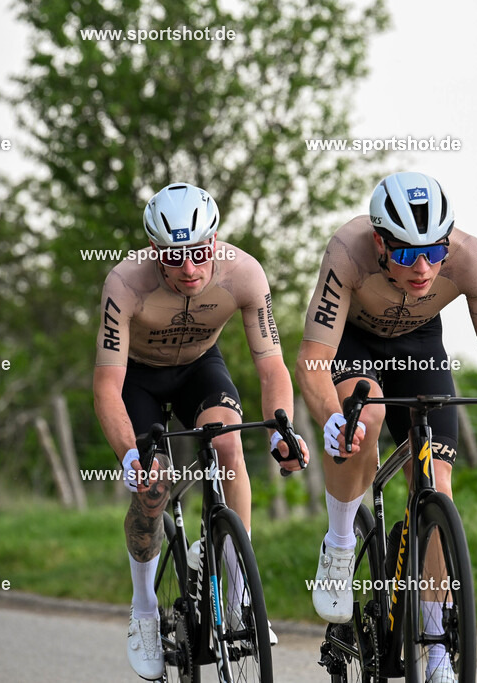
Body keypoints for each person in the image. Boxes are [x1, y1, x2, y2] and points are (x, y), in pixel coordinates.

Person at [296, 171, 477, 683]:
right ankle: (340, 543)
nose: (424, 267)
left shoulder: (471, 257)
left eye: (435, 251)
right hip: (353, 343)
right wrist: (333, 419)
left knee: (437, 487)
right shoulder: (348, 250)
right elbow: (313, 359)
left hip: (419, 346)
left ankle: (434, 651)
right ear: (380, 242)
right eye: (407, 254)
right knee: (371, 414)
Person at [93, 182, 308, 680]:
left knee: (227, 442)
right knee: (153, 488)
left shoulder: (245, 274)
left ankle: (238, 597)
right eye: (173, 256)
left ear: (215, 241)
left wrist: (283, 430)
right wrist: (131, 455)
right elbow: (107, 386)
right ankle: (144, 611)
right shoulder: (125, 283)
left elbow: (272, 367)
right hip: (138, 379)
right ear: (154, 250)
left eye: (197, 253)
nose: (188, 268)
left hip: (199, 368)